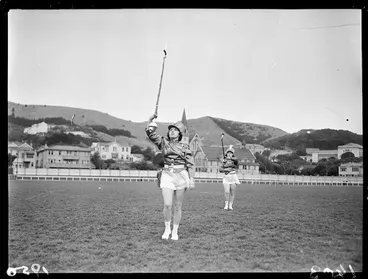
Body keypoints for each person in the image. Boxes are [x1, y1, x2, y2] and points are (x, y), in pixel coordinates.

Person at [146, 113, 195, 240]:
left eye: (175, 130)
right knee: (167, 205)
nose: (172, 132)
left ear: (180, 134)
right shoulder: (163, 143)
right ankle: (167, 229)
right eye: (171, 130)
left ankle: (175, 231)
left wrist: (192, 178)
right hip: (167, 175)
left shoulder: (185, 147)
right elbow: (151, 134)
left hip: (181, 176)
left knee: (178, 206)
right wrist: (150, 120)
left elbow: (190, 164)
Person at [219, 145, 240, 210]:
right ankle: (226, 204)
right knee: (227, 192)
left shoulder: (235, 161)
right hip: (226, 177)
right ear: (226, 153)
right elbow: (220, 170)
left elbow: (237, 162)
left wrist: (229, 158)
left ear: (232, 154)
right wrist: (225, 169)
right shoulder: (224, 161)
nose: (229, 154)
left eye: (231, 153)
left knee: (232, 192)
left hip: (233, 177)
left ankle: (230, 205)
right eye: (228, 153)